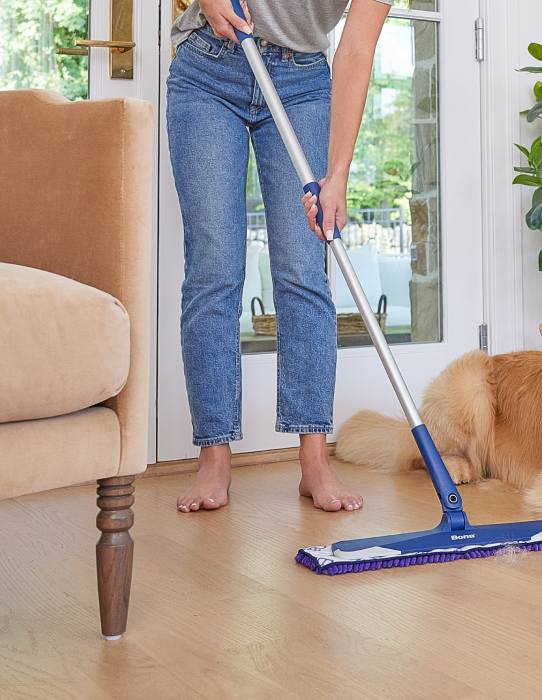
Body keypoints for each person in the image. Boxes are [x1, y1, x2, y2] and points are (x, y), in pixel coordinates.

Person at [166, 0, 391, 513]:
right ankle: (214, 456)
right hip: (210, 64)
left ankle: (315, 461)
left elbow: (356, 50)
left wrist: (337, 174)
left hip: (303, 82)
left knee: (304, 269)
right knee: (214, 267)